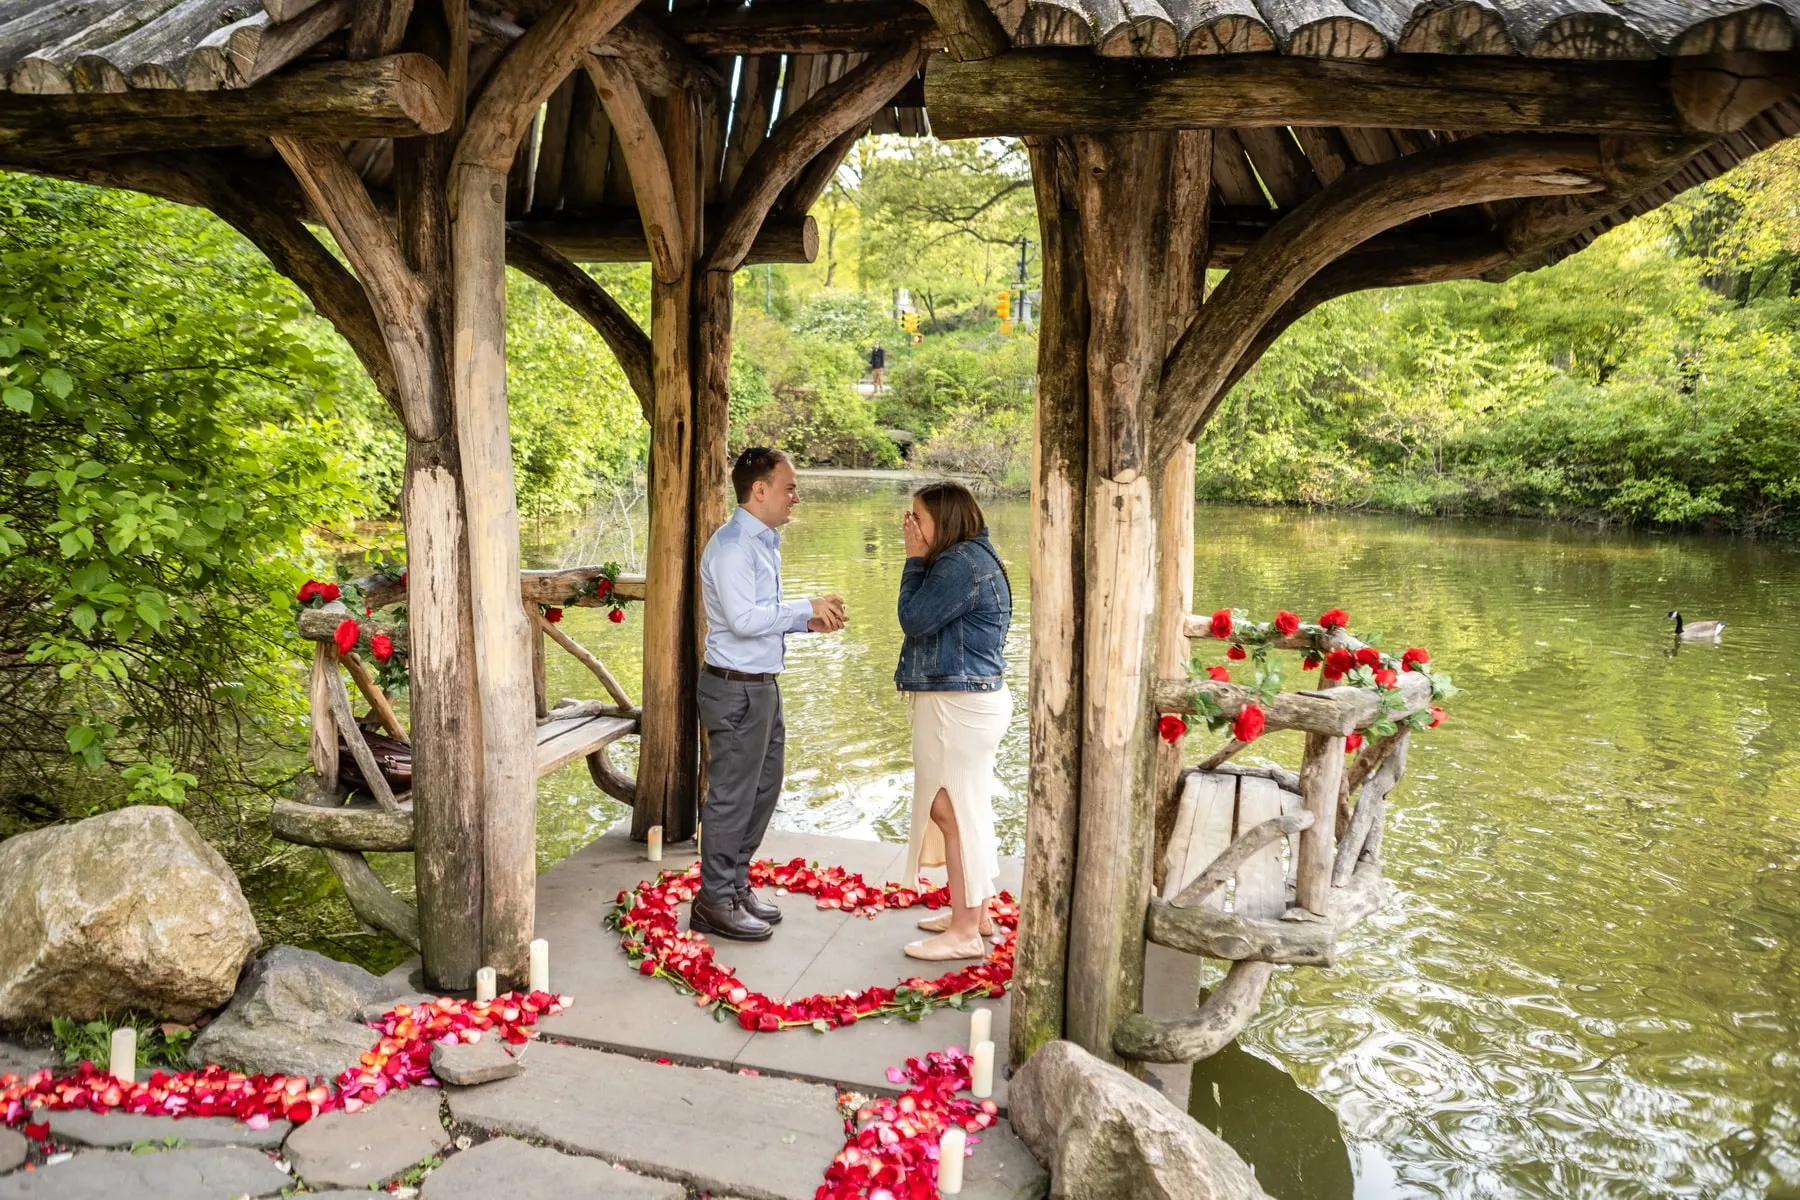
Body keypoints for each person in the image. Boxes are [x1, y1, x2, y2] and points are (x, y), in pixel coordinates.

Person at [692, 447, 846, 942]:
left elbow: (761, 614)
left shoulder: (763, 542)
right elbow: (741, 621)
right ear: (759, 490)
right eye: (789, 487)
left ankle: (734, 885)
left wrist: (809, 621)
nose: (795, 498)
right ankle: (713, 900)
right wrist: (805, 606)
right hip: (734, 688)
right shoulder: (735, 545)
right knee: (733, 798)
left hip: (760, 685)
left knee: (764, 789)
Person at [895, 482, 1012, 961]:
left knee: (951, 809)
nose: (910, 526)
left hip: (959, 705)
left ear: (941, 522)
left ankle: (964, 932)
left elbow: (913, 618)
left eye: (917, 518)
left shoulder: (957, 565)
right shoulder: (973, 557)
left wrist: (912, 559)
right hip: (969, 701)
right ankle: (975, 914)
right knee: (966, 808)